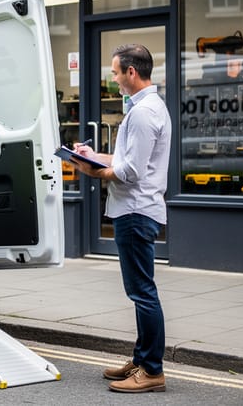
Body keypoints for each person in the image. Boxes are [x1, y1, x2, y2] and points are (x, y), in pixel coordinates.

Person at [70, 43, 171, 393]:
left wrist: (91, 171)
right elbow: (124, 157)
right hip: (135, 210)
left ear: (131, 72)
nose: (112, 79)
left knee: (142, 292)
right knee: (139, 291)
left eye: (114, 72)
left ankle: (152, 369)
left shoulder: (144, 113)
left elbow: (130, 171)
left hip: (136, 210)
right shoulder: (145, 108)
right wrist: (91, 154)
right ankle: (142, 359)